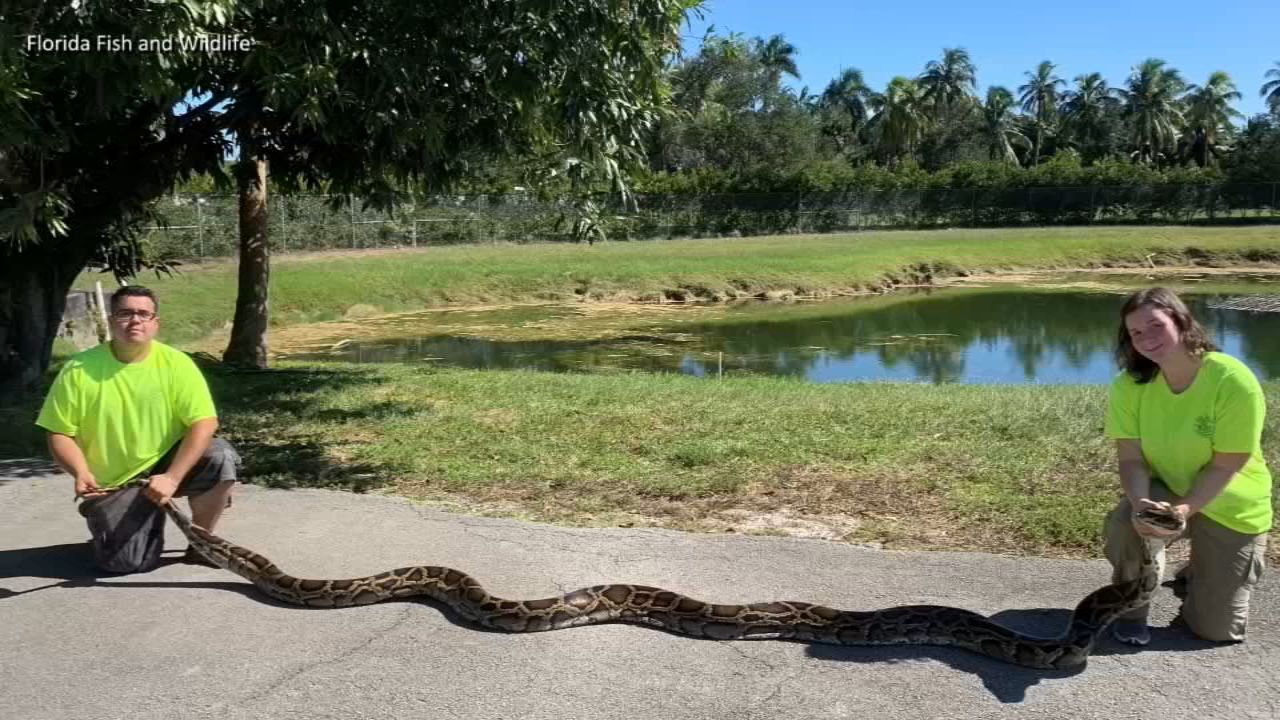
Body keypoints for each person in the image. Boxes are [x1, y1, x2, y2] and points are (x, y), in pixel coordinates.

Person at [1103, 287, 1271, 646]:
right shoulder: (1129, 386)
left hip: (1231, 500)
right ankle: (1130, 610)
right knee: (1125, 526)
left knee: (1216, 631)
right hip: (1167, 486)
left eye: (1156, 325)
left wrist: (1183, 511)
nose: (1146, 338)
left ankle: (1196, 572)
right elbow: (1130, 458)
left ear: (1181, 321)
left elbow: (1228, 464)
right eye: (1135, 333)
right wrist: (1139, 506)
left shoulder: (1231, 379)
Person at [36, 285, 241, 572]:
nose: (135, 320)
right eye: (125, 313)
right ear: (110, 321)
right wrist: (80, 472)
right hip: (117, 482)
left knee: (219, 456)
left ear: (156, 323)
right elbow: (58, 432)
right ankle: (111, 518)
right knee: (126, 563)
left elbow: (204, 422)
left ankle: (202, 543)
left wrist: (171, 477)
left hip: (166, 465)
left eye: (144, 314)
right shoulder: (78, 369)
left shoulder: (176, 364)